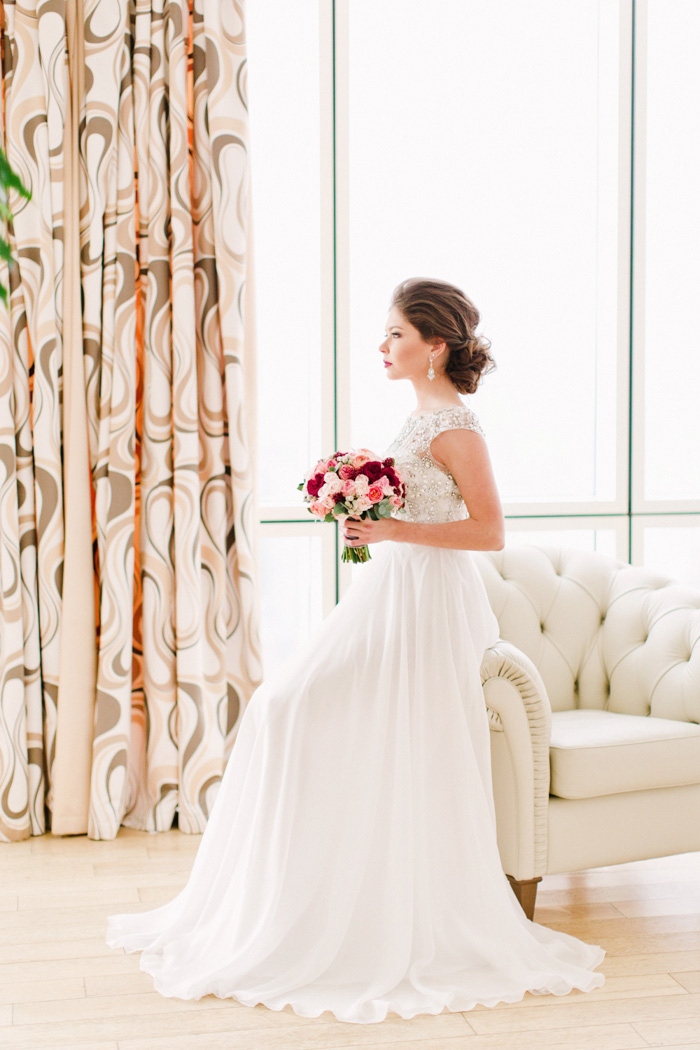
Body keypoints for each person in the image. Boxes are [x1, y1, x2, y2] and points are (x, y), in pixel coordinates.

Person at [106, 276, 605, 1024]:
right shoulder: (421, 417)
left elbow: (491, 531)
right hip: (394, 592)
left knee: (328, 719)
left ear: (434, 346)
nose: (384, 346)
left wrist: (393, 528)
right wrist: (360, 503)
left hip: (430, 603)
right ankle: (300, 896)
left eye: (396, 335)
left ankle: (364, 911)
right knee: (287, 709)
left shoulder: (456, 426)